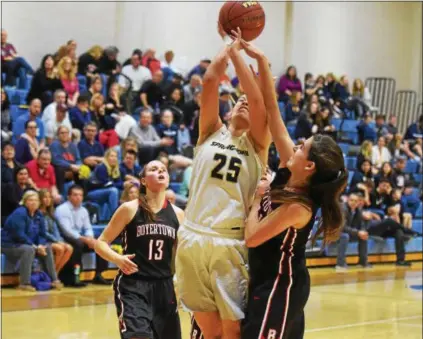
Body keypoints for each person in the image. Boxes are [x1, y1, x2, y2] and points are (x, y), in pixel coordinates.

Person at [238, 39, 348, 339]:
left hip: (281, 287)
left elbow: (252, 236)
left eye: (302, 147)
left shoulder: (299, 207)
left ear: (309, 166)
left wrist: (257, 198)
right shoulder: (289, 168)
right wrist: (261, 62)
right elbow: (274, 114)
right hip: (266, 281)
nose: (296, 146)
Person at [175, 27, 270, 339]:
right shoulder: (209, 132)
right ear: (228, 112)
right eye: (238, 99)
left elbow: (258, 101)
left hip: (228, 240)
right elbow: (210, 81)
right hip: (192, 236)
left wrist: (240, 55)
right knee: (208, 329)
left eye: (246, 99)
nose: (243, 101)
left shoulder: (258, 144)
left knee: (232, 328)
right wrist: (227, 47)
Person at [94, 160, 184, 339]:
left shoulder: (178, 214)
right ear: (143, 181)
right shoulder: (129, 209)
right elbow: (101, 242)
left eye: (163, 170)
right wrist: (118, 259)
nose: (160, 171)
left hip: (164, 287)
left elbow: (181, 254)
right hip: (134, 284)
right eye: (153, 169)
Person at [1, 190, 62, 291]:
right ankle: (24, 283)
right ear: (25, 202)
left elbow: (42, 234)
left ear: (39, 202)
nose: (33, 202)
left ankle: (54, 280)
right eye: (30, 200)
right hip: (8, 244)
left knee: (47, 247)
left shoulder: (39, 214)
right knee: (28, 250)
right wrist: (35, 246)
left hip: (28, 244)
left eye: (36, 200)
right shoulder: (19, 213)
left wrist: (41, 245)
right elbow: (19, 235)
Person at [55, 184, 109, 286]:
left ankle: (99, 274)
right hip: (64, 238)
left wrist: (90, 238)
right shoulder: (62, 209)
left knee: (101, 242)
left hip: (80, 237)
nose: (78, 197)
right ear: (69, 197)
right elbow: (67, 231)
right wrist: (85, 239)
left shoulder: (83, 210)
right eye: (75, 195)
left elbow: (88, 227)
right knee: (78, 244)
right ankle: (75, 276)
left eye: (80, 195)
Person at [39, 189, 73, 275]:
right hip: (43, 239)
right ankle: (51, 274)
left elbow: (55, 230)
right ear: (40, 199)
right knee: (60, 248)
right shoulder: (38, 213)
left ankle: (55, 273)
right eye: (45, 197)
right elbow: (43, 232)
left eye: (49, 197)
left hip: (53, 239)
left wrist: (60, 240)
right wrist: (56, 241)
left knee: (69, 248)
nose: (47, 199)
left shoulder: (50, 212)